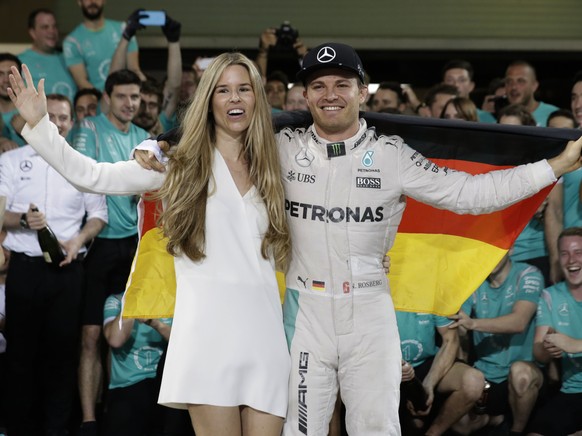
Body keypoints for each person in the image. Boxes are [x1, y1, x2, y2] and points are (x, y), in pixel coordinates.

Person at [132, 42, 582, 435]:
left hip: (369, 314)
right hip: (303, 315)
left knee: (375, 430)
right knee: (300, 431)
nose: (330, 95)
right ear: (304, 95)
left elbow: (473, 193)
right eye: (319, 85)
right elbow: (213, 134)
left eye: (342, 84)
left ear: (361, 92)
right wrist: (157, 146)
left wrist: (554, 167)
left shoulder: (392, 155)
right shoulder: (279, 147)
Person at [10, 53, 291, 436]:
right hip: (206, 337)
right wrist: (39, 124)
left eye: (244, 89)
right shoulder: (176, 166)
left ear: (258, 97)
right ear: (208, 100)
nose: (235, 99)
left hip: (266, 337)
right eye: (223, 90)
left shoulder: (279, 163)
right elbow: (92, 176)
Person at [0, 92, 107, 435]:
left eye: (64, 118)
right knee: (20, 357)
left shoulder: (82, 162)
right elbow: (0, 212)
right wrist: (21, 220)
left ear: (71, 122)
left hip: (67, 269)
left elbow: (99, 216)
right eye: (52, 117)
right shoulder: (12, 160)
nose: (58, 124)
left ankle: (57, 430)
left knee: (61, 357)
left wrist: (77, 241)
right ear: (37, 119)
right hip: (24, 270)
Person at [70, 69, 149, 434]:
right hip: (98, 244)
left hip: (134, 245)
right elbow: (82, 175)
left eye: (135, 97)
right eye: (121, 96)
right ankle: (89, 421)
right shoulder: (89, 130)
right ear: (106, 98)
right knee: (89, 337)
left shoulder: (145, 139)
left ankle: (116, 406)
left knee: (122, 331)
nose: (129, 103)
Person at [449, 252, 545, 435]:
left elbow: (519, 322)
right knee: (458, 424)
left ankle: (516, 431)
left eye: (497, 250)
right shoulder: (473, 280)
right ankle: (492, 419)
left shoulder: (527, 274)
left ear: (510, 247)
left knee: (521, 375)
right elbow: (460, 325)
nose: (491, 256)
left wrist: (472, 324)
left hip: (524, 369)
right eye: (487, 250)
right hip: (486, 373)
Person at [529, 227, 582, 436]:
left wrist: (573, 344)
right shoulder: (550, 295)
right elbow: (538, 352)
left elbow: (569, 344)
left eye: (578, 252)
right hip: (571, 391)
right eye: (564, 253)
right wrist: (548, 348)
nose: (571, 260)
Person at [396, 310, 485, 435]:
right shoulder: (375, 296)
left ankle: (433, 433)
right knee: (414, 424)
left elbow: (450, 340)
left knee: (473, 381)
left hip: (427, 362)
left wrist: (429, 383)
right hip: (385, 367)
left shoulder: (435, 292)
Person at [102, 293, 172, 436]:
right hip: (127, 386)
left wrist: (156, 324)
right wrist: (133, 300)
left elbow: (184, 344)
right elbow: (115, 340)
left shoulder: (171, 301)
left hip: (162, 386)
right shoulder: (116, 301)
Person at [63, 0, 143, 91]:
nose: (92, 1)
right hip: (97, 100)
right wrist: (105, 101)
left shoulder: (124, 29)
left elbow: (134, 70)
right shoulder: (72, 41)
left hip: (126, 97)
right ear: (79, 1)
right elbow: (82, 83)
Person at [18, 9, 77, 101]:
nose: (52, 31)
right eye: (45, 27)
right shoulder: (20, 62)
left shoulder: (70, 58)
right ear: (32, 32)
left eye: (54, 27)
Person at [504, 60, 558, 126]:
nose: (514, 87)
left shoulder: (553, 115)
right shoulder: (500, 118)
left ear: (534, 86)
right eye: (509, 81)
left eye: (520, 81)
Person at [0, 54, 25, 148]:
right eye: (0, 74)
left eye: (11, 74)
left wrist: (27, 132)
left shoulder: (33, 113)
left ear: (21, 78)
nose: (6, 80)